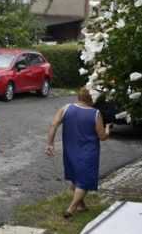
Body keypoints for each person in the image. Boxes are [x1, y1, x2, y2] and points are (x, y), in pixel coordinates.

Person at [45, 87, 112, 219]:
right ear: (92, 99)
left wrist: (50, 144)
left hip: (70, 150)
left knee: (76, 177)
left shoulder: (66, 108)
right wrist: (108, 129)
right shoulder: (95, 113)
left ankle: (81, 205)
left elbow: (53, 125)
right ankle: (71, 209)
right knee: (84, 181)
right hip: (88, 152)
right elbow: (102, 136)